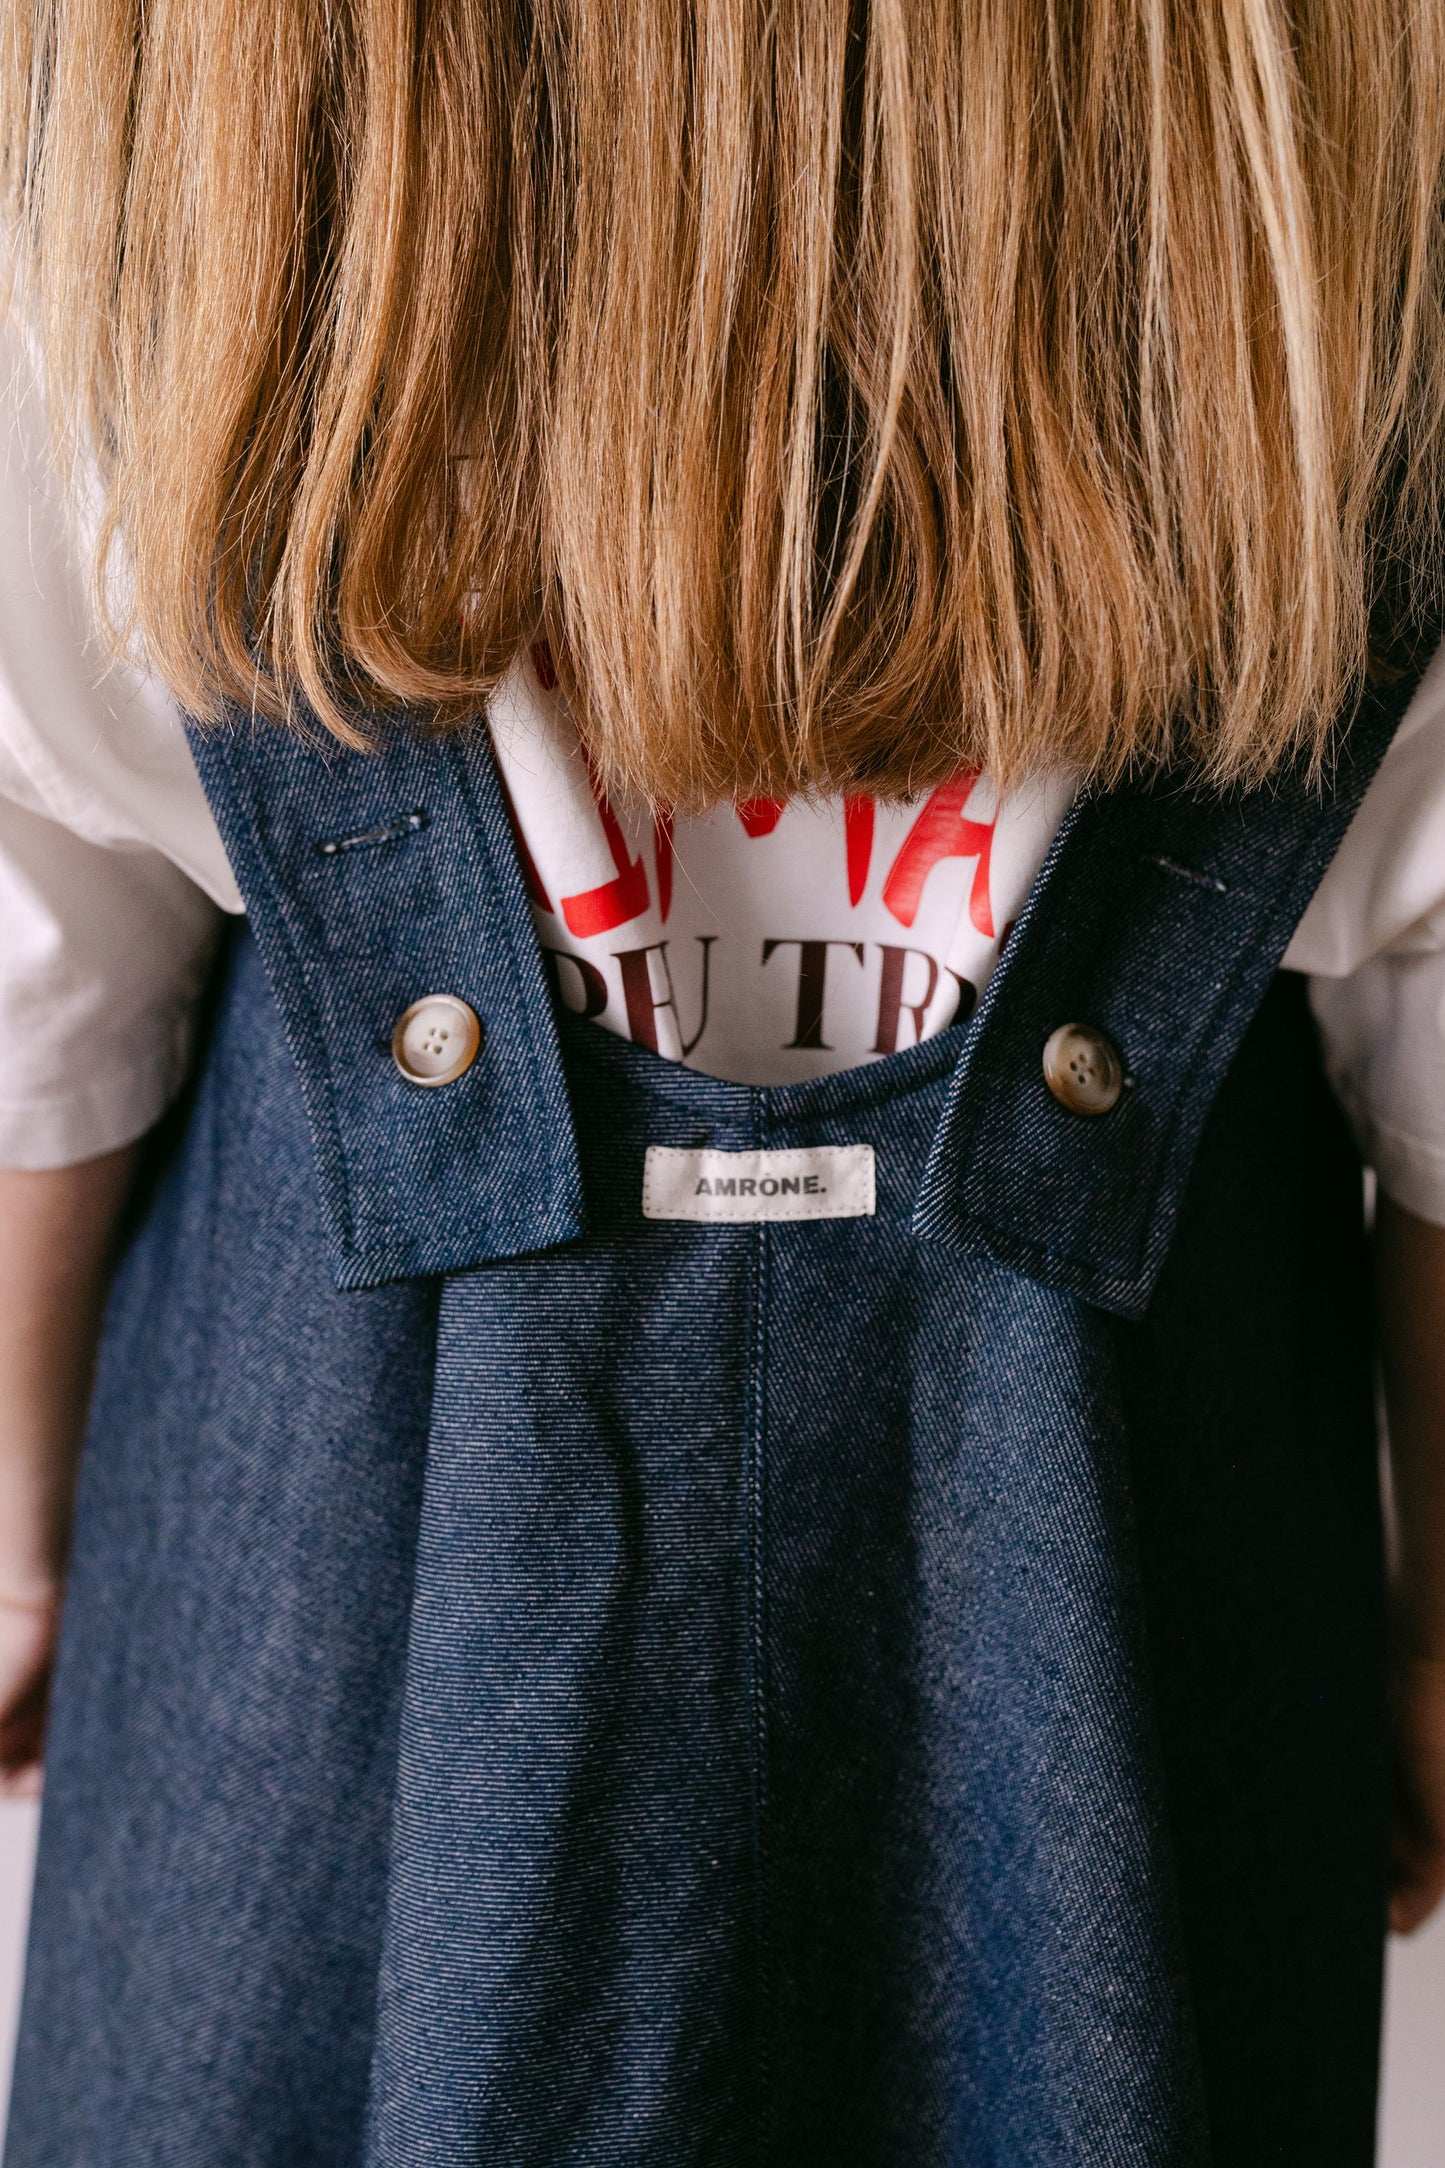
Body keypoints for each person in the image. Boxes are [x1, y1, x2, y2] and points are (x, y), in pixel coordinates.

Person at [1, 3, 1444, 2161]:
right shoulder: (1354, 109)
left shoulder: (143, 75)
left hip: (337, 1573)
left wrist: (21, 1529)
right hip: (1127, 1564)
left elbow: (41, 954)